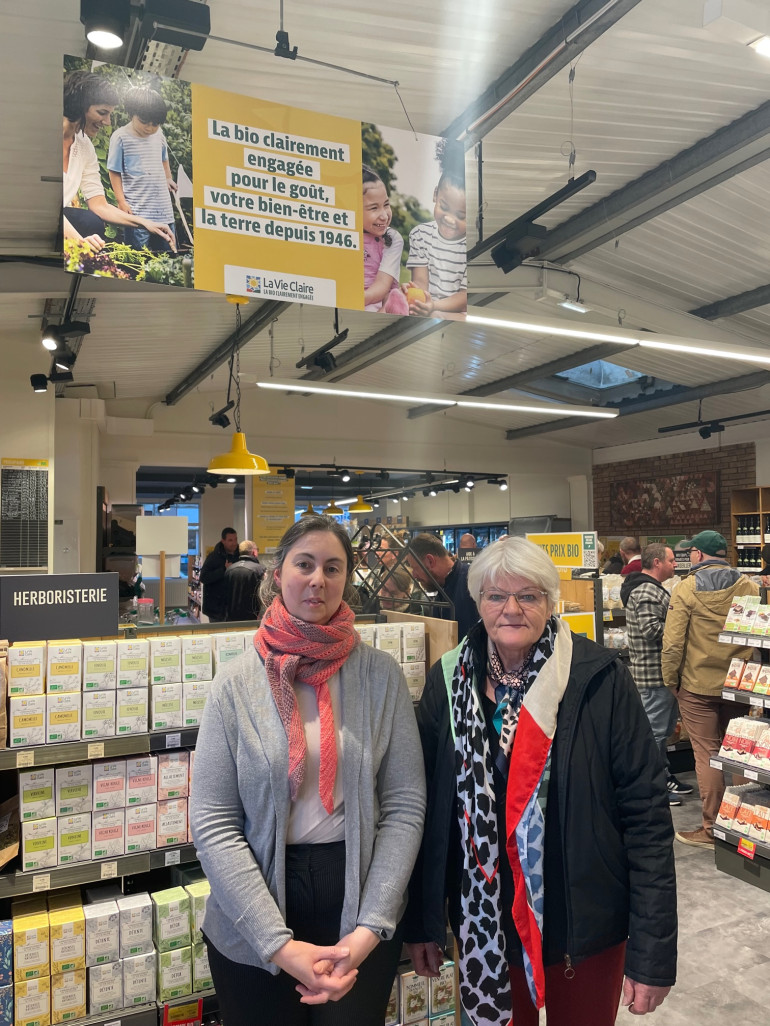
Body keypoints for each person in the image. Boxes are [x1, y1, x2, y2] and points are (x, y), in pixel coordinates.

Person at [405, 537, 676, 1026]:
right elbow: (423, 814)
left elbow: (647, 817)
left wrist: (653, 953)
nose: (511, 609)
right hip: (484, 926)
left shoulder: (599, 678)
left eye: (528, 596)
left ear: (550, 602)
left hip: (584, 928)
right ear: (477, 602)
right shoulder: (447, 682)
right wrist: (422, 922)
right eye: (495, 596)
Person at [189, 515, 425, 1025]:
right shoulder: (233, 685)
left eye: (332, 568)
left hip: (359, 895)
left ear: (346, 581)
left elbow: (405, 806)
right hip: (255, 902)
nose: (318, 579)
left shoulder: (381, 676)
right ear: (277, 575)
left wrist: (368, 930)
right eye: (305, 564)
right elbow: (212, 823)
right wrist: (280, 946)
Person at [662, 530, 759, 848]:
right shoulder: (748, 585)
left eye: (690, 552)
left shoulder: (685, 588)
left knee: (708, 753)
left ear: (699, 555)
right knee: (739, 752)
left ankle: (712, 828)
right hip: (738, 681)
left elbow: (674, 642)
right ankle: (745, 824)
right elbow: (751, 635)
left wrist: (670, 680)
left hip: (697, 684)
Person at [62, 71, 175, 253]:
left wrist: (145, 223)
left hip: (59, 220)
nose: (107, 122)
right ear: (78, 105)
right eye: (102, 113)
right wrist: (80, 243)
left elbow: (99, 205)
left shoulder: (84, 146)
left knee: (92, 221)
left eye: (110, 114)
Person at [621, 543, 691, 805]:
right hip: (654, 675)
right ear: (657, 563)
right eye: (672, 560)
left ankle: (663, 776)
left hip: (661, 674)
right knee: (654, 734)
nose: (675, 564)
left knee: (660, 732)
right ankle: (654, 787)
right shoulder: (647, 591)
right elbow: (652, 630)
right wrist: (682, 628)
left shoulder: (650, 589)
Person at [107, 86, 177, 252]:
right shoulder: (121, 137)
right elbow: (114, 171)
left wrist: (168, 178)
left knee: (167, 254)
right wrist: (121, 201)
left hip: (163, 210)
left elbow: (164, 159)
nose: (149, 128)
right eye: (144, 122)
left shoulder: (159, 135)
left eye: (155, 124)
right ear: (131, 114)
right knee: (138, 256)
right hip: (137, 213)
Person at [404, 140, 467, 317]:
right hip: (429, 307)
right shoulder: (420, 235)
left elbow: (464, 298)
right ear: (435, 194)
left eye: (461, 216)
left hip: (457, 313)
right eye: (444, 207)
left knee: (435, 316)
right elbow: (420, 281)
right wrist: (414, 293)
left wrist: (434, 306)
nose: (449, 219)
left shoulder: (469, 248)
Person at [406, 533, 479, 640]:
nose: (414, 575)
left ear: (430, 561)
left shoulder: (472, 583)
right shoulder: (441, 586)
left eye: (415, 568)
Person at [362, 165, 408, 314]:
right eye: (374, 208)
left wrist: (360, 298)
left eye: (386, 205)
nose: (384, 215)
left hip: (376, 298)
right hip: (347, 300)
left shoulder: (392, 239)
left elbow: (382, 284)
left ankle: (390, 309)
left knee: (390, 298)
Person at [199, 527, 239, 622]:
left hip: (234, 607)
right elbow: (203, 577)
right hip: (216, 609)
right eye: (230, 540)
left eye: (235, 539)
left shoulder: (240, 556)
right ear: (223, 541)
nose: (234, 543)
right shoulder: (214, 557)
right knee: (217, 635)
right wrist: (223, 570)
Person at [224, 540, 266, 621]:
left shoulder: (229, 569)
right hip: (251, 618)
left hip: (231, 618)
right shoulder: (260, 570)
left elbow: (225, 595)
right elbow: (264, 595)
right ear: (254, 552)